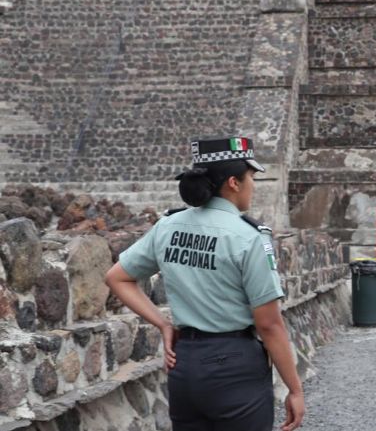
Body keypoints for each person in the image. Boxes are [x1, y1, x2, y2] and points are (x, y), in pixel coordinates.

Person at [105, 137, 305, 431]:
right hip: (236, 367)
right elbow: (269, 324)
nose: (254, 185)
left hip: (184, 364)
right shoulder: (248, 238)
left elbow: (117, 277)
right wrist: (295, 390)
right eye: (251, 177)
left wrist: (163, 325)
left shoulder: (168, 226)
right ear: (234, 183)